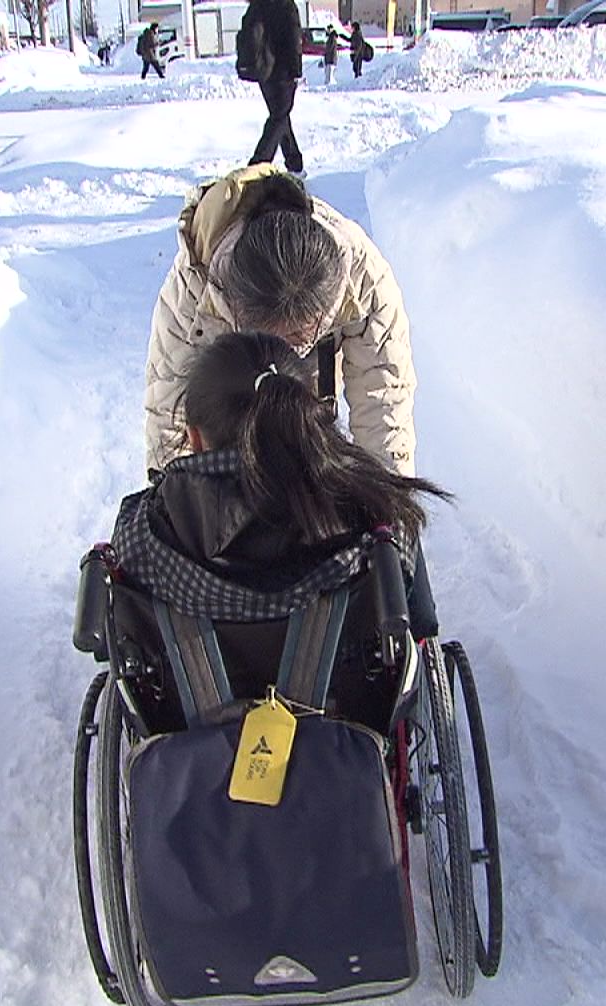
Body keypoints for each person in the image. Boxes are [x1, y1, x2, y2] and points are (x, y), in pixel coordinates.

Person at [113, 331, 446, 637]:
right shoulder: (375, 511)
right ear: (305, 418)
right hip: (348, 682)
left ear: (194, 438)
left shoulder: (142, 532)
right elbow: (419, 626)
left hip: (187, 682)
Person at [144, 164, 416, 480]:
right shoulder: (191, 295)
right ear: (237, 309)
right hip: (233, 399)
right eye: (274, 338)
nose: (285, 353)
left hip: (313, 397)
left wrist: (386, 499)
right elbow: (169, 419)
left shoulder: (364, 280)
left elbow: (383, 406)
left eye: (299, 335)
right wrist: (176, 497)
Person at [240, 0, 305, 172]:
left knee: (281, 115)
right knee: (279, 117)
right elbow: (293, 39)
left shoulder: (257, 5)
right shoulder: (286, 5)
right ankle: (256, 167)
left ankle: (295, 164)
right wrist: (296, 70)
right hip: (283, 72)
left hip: (263, 72)